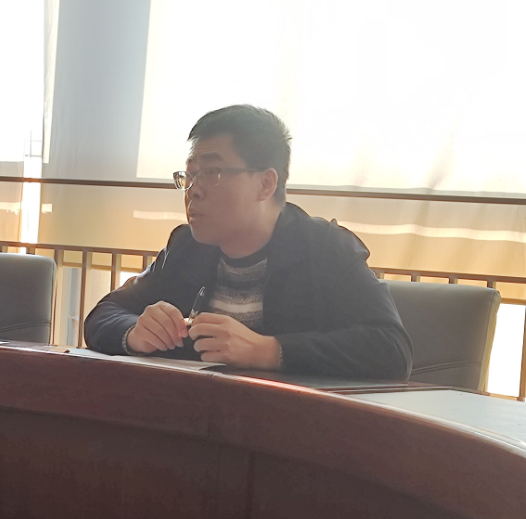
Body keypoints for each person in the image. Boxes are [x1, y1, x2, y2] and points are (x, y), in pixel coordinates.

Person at [84, 105, 413, 378]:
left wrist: (269, 351)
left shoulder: (325, 248)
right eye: (190, 175)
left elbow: (391, 349)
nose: (193, 191)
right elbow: (105, 313)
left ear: (266, 184)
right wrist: (134, 332)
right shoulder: (185, 247)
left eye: (212, 172)